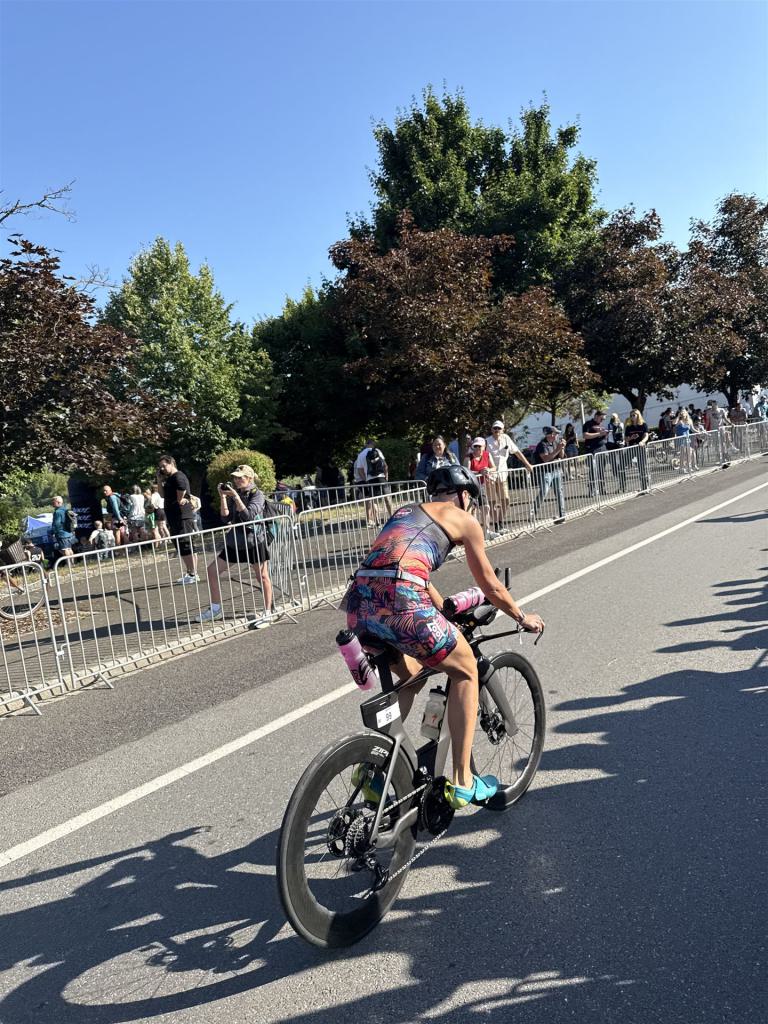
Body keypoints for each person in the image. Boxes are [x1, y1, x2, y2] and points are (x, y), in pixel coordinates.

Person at [344, 464, 544, 809]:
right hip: (403, 602)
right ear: (465, 496)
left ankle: (374, 768)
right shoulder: (463, 519)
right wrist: (521, 616)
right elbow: (490, 585)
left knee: (414, 675)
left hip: (359, 605)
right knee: (465, 669)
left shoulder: (406, 512)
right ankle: (463, 779)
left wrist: (443, 611)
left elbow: (404, 570)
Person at [195, 465, 274, 628]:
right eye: (235, 477)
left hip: (254, 540)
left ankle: (268, 612)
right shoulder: (235, 494)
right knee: (212, 571)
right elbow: (225, 518)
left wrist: (236, 497)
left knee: (262, 576)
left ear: (249, 478)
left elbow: (248, 516)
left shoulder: (257, 495)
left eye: (240, 477)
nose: (237, 480)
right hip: (236, 540)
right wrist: (223, 497)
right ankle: (216, 609)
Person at [157, 454, 199, 584]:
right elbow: (162, 495)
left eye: (164, 466)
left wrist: (180, 499)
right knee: (181, 545)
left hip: (182, 516)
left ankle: (193, 574)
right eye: (160, 467)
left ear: (171, 463)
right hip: (174, 517)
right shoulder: (169, 479)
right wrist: (159, 480)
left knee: (186, 544)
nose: (162, 469)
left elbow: (182, 487)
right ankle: (190, 572)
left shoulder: (178, 476)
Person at [485, 420, 533, 531]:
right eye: (495, 428)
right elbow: (478, 454)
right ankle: (496, 525)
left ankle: (500, 521)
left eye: (499, 428)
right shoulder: (487, 441)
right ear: (491, 429)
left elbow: (517, 452)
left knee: (506, 500)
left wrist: (527, 464)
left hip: (503, 475)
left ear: (503, 430)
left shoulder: (506, 438)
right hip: (490, 476)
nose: (497, 430)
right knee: (492, 502)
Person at [530, 426, 566, 523]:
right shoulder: (542, 444)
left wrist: (562, 448)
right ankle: (533, 512)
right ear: (551, 434)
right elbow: (545, 459)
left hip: (556, 470)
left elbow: (561, 456)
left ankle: (562, 515)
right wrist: (558, 449)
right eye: (556, 433)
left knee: (559, 492)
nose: (557, 435)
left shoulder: (556, 442)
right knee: (544, 492)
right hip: (545, 472)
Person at [463, 437, 497, 538]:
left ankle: (487, 532)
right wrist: (479, 472)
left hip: (480, 486)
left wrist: (488, 470)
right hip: (469, 487)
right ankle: (474, 535)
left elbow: (494, 467)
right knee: (472, 510)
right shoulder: (468, 457)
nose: (478, 448)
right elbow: (466, 471)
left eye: (480, 446)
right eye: (476, 446)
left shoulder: (487, 455)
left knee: (486, 507)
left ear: (484, 446)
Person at [354, 439, 391, 528]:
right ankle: (391, 517)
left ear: (366, 444)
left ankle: (377, 521)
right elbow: (385, 465)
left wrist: (366, 480)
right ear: (372, 444)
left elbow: (360, 470)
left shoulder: (360, 455)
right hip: (381, 477)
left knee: (374, 501)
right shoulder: (377, 451)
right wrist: (386, 476)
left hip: (370, 479)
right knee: (387, 498)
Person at [582, 410, 609, 497]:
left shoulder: (601, 424)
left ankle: (602, 488)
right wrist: (599, 434)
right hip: (593, 449)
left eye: (603, 419)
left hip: (602, 448)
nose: (602, 420)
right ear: (596, 416)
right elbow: (585, 435)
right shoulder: (588, 424)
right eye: (601, 418)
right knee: (593, 470)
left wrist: (605, 434)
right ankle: (592, 489)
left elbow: (602, 435)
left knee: (602, 469)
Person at [624, 409, 650, 492]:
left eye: (634, 415)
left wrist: (642, 441)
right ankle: (623, 487)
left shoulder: (643, 425)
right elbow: (626, 439)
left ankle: (645, 487)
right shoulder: (629, 427)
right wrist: (631, 438)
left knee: (642, 467)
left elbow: (646, 435)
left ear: (638, 415)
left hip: (640, 448)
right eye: (631, 415)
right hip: (631, 448)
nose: (632, 417)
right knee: (622, 464)